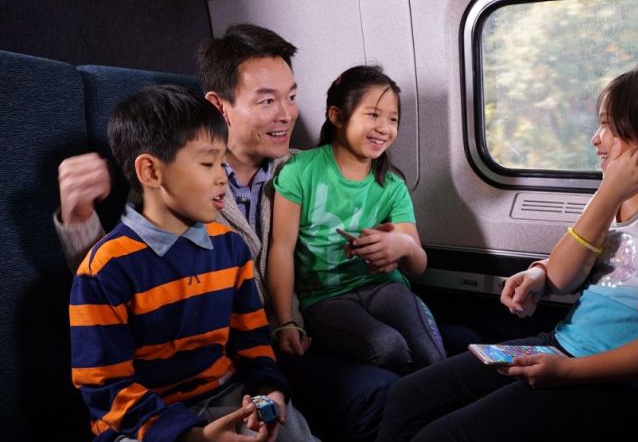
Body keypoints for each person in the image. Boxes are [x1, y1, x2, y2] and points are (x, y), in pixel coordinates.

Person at [55, 24, 397, 441]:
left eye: (291, 96)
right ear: (220, 107)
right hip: (201, 368)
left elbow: (357, 200)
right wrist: (78, 220)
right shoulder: (173, 184)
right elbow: (131, 266)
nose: (287, 114)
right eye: (267, 100)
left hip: (281, 340)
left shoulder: (306, 171)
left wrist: (391, 241)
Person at [378, 60, 638, 440]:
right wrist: (541, 270)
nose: (596, 139)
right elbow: (563, 277)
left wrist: (567, 372)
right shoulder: (614, 197)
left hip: (626, 385)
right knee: (406, 398)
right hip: (562, 345)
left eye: (608, 127)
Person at [69, 85, 316, 442]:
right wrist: (192, 436)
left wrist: (269, 391)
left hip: (225, 394)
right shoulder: (105, 269)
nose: (221, 178)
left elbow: (252, 341)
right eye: (207, 163)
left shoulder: (230, 247)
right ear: (151, 173)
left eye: (222, 162)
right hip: (142, 420)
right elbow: (105, 388)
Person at [268, 65, 446, 375]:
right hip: (325, 298)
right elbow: (281, 248)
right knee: (388, 347)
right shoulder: (300, 171)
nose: (384, 128)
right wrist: (285, 321)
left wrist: (401, 244)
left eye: (393, 120)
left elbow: (418, 264)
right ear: (336, 116)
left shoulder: (392, 186)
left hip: (385, 287)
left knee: (431, 355)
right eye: (373, 115)